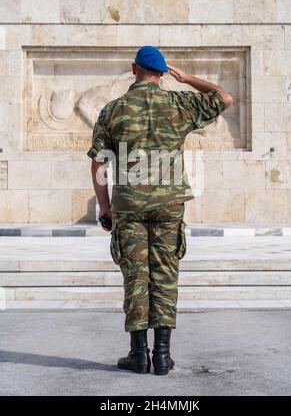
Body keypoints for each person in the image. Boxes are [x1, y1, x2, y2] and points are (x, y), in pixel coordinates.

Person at [87, 46, 233, 375]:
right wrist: (188, 78)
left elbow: (99, 163)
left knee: (136, 279)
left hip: (130, 207)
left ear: (133, 68)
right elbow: (224, 98)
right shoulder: (180, 103)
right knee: (165, 276)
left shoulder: (114, 109)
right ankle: (163, 357)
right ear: (163, 73)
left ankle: (138, 355)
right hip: (169, 206)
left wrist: (105, 207)